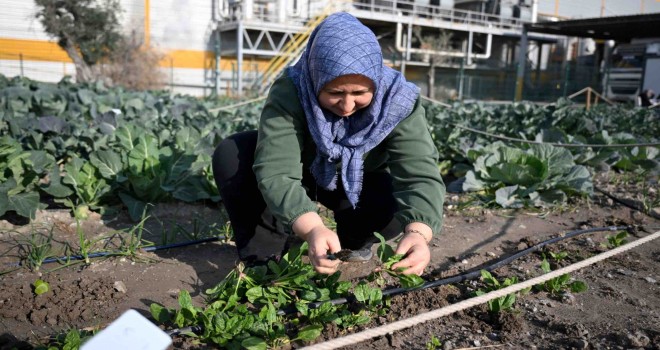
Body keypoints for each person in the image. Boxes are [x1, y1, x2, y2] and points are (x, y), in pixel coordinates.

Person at [212, 12, 445, 276]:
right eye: (335, 93)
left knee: (390, 195)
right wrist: (312, 226)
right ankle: (266, 257)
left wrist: (418, 233)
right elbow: (276, 170)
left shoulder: (398, 101)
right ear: (315, 79)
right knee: (233, 154)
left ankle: (354, 241)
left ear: (377, 83)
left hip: (358, 184)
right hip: (303, 173)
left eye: (359, 93)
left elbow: (420, 174)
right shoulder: (293, 89)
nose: (347, 106)